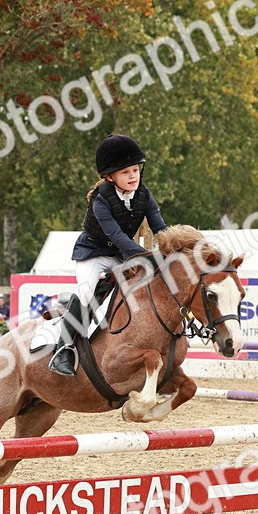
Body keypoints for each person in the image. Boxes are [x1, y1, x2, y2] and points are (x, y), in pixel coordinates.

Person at [48, 134, 168, 376]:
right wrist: (146, 255)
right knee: (85, 291)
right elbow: (117, 236)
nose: (133, 176)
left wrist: (173, 249)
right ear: (109, 176)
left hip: (119, 255)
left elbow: (160, 228)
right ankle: (63, 350)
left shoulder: (144, 195)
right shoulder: (101, 199)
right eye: (125, 172)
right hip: (93, 252)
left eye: (135, 170)